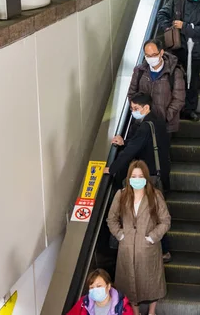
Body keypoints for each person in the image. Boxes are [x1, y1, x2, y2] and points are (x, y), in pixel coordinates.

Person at [107, 160, 171, 315]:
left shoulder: (155, 195)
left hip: (149, 247)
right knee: (129, 281)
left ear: (146, 177)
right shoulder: (121, 195)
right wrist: (121, 235)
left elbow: (165, 220)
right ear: (129, 178)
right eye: (133, 176)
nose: (137, 179)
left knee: (152, 280)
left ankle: (151, 311)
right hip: (127, 247)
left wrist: (152, 238)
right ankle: (135, 311)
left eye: (140, 176)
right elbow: (111, 218)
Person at [157, 0, 200, 121]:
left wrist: (185, 27)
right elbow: (162, 14)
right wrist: (169, 28)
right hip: (176, 49)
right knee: (174, 80)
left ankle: (189, 109)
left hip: (195, 51)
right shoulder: (177, 0)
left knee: (192, 81)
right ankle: (174, 109)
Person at [109, 93, 171, 195]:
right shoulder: (158, 120)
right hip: (162, 170)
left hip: (150, 172)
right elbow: (144, 142)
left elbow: (130, 151)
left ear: (146, 107)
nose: (133, 112)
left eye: (136, 108)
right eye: (131, 109)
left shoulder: (145, 127)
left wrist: (112, 168)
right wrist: (124, 142)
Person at [127, 39, 186, 134]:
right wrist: (137, 111)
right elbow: (131, 94)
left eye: (154, 55)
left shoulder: (174, 72)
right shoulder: (139, 71)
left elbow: (179, 99)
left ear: (161, 52)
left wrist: (165, 118)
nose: (151, 58)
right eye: (148, 55)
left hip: (164, 126)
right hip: (142, 124)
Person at [67, 269, 134, 315]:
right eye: (91, 287)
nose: (95, 290)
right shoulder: (83, 303)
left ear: (108, 286)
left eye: (99, 286)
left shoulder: (123, 308)